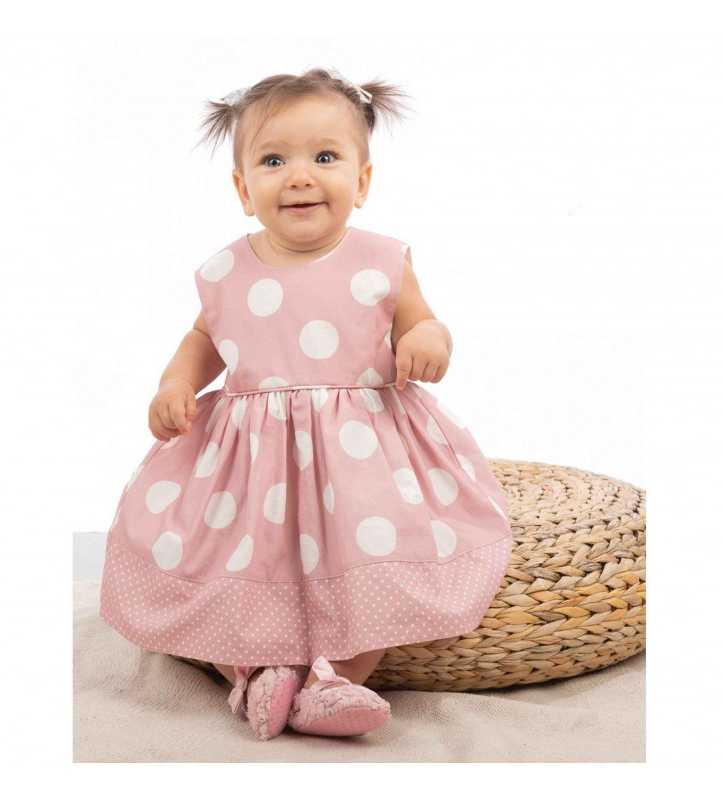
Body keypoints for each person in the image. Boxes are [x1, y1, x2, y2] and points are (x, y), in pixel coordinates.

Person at [99, 66, 514, 742]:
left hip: (363, 456)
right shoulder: (226, 272)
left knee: (376, 557)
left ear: (362, 180)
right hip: (250, 465)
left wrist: (427, 340)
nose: (299, 176)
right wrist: (175, 385)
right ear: (243, 189)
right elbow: (203, 341)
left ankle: (335, 679)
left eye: (324, 157)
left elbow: (421, 321)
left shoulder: (380, 260)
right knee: (222, 562)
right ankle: (252, 673)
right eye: (273, 161)